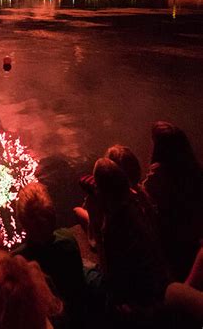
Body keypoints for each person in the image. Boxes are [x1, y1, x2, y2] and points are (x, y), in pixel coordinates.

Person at [93, 158, 169, 315]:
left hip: (136, 298)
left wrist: (96, 229)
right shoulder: (139, 203)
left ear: (102, 194)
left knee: (88, 274)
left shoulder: (114, 227)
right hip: (157, 283)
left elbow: (110, 275)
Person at [13, 182, 85, 327]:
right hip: (77, 316)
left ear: (22, 222)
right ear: (52, 217)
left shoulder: (18, 260)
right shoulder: (68, 240)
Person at [143, 121, 203, 281]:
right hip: (192, 237)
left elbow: (144, 197)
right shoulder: (195, 170)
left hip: (169, 238)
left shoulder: (159, 173)